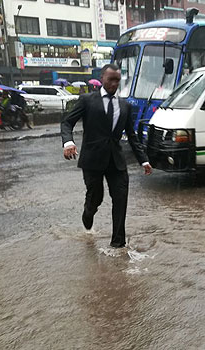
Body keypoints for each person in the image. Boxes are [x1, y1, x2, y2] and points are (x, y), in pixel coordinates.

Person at [61, 64, 153, 248]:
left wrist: (144, 160)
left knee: (120, 199)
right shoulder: (87, 100)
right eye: (111, 79)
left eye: (117, 80)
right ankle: (88, 213)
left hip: (116, 161)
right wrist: (68, 142)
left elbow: (132, 136)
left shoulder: (125, 106)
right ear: (102, 78)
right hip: (92, 159)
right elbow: (67, 122)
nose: (114, 83)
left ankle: (118, 244)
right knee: (96, 197)